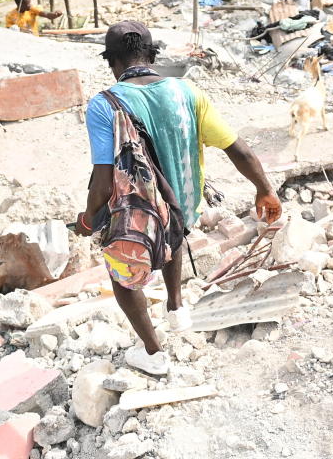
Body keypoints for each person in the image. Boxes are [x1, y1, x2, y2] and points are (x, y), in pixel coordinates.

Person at [79, 22, 282, 376]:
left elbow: (103, 177)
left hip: (139, 211)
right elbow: (237, 148)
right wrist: (264, 188)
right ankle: (176, 308)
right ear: (152, 54)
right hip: (183, 205)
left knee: (124, 278)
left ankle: (154, 355)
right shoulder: (188, 92)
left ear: (111, 61)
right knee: (174, 237)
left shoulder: (103, 105)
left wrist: (88, 216)